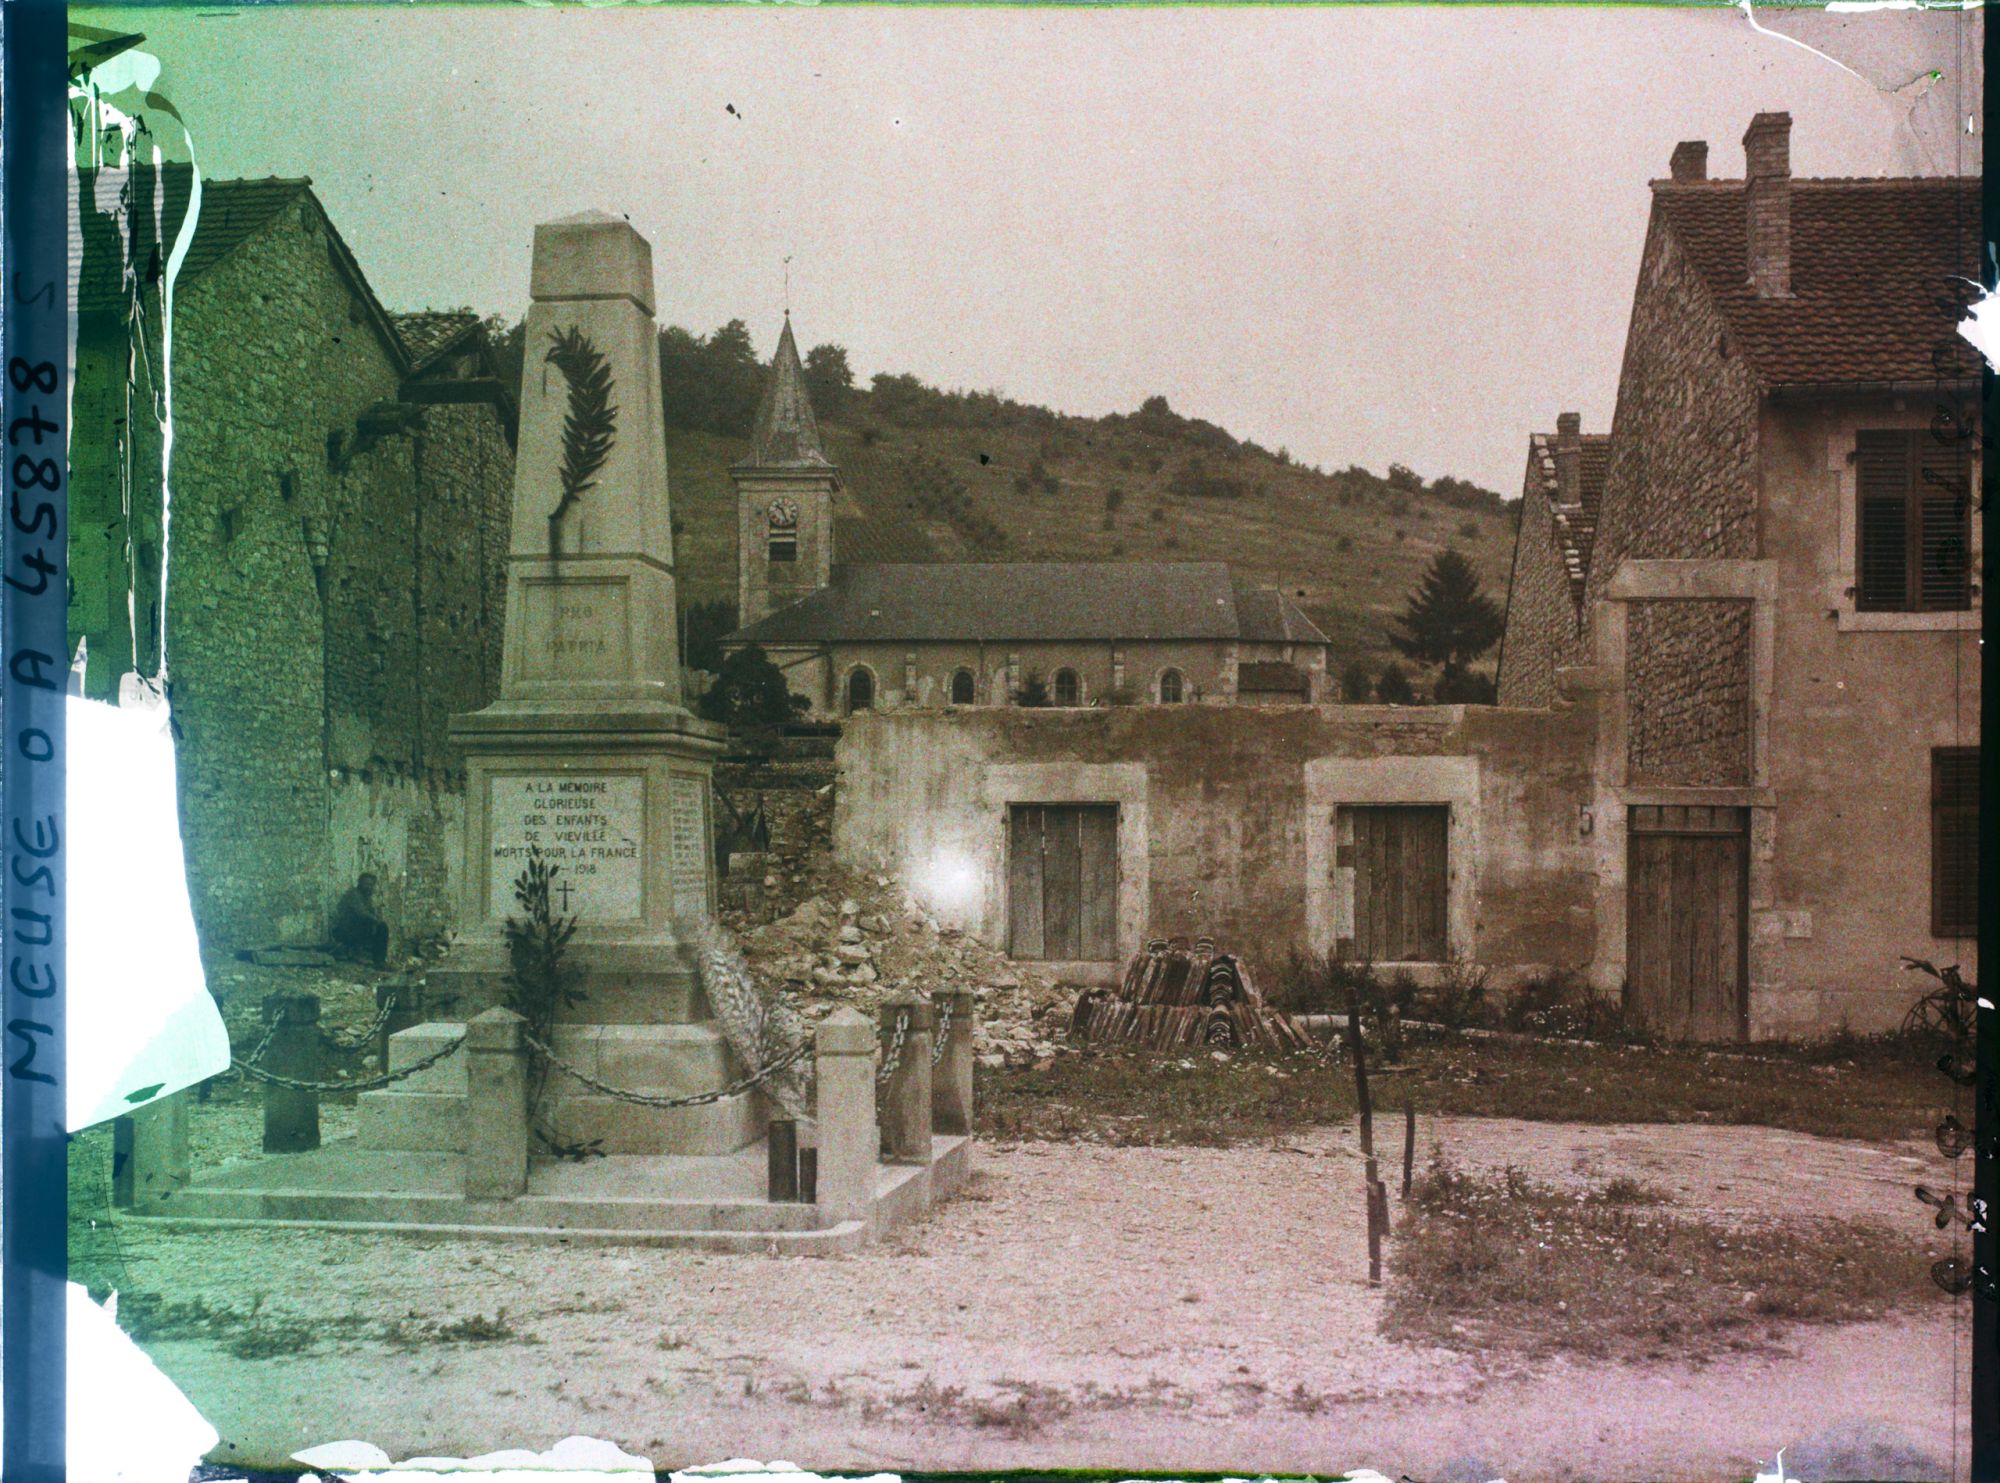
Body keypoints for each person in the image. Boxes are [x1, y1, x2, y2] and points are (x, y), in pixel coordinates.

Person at [329, 872, 389, 967]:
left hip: (356, 930)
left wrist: (378, 923)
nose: (369, 887)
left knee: (382, 927)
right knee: (366, 920)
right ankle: (357, 954)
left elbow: (371, 914)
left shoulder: (367, 898)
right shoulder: (353, 894)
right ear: (359, 883)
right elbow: (362, 913)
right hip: (342, 931)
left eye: (371, 885)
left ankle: (379, 960)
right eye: (366, 884)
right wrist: (376, 920)